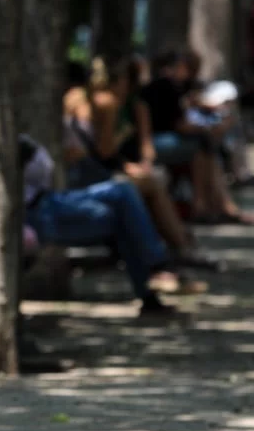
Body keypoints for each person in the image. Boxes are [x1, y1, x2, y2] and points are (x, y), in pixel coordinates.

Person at [65, 58, 218, 278]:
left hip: (86, 171)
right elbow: (105, 151)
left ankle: (174, 246)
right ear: (119, 81)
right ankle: (173, 251)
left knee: (151, 181)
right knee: (151, 186)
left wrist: (132, 165)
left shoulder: (76, 97)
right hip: (88, 176)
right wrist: (123, 147)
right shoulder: (107, 103)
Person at [21, 134, 183, 317]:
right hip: (39, 212)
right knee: (123, 203)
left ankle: (155, 275)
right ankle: (157, 267)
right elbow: (49, 167)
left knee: (124, 200)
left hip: (51, 204)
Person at [140, 51, 254, 225]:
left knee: (204, 146)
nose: (191, 72)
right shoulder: (165, 86)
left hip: (166, 139)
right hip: (155, 142)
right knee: (200, 145)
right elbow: (179, 125)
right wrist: (207, 129)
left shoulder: (179, 87)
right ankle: (205, 206)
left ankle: (215, 205)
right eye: (188, 67)